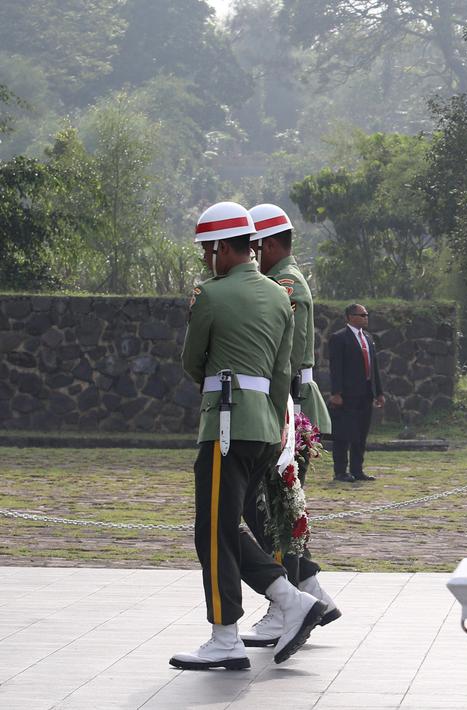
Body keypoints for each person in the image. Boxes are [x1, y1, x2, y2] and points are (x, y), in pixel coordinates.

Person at [170, 201, 326, 671]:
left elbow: (193, 362)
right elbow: (283, 372)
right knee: (224, 527)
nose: (204, 259)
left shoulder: (210, 296)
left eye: (206, 250)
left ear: (220, 248)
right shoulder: (280, 296)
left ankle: (226, 633)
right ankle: (287, 596)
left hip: (225, 427)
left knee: (214, 531)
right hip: (264, 427)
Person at [239, 203, 342, 649]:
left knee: (269, 512)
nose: (253, 255)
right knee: (278, 512)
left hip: (287, 408)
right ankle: (310, 590)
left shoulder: (285, 285)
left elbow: (281, 356)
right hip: (288, 406)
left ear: (272, 244)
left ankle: (288, 603)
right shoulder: (288, 279)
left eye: (256, 246)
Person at [328, 303, 384, 482]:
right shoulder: (339, 338)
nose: (366, 318)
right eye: (362, 315)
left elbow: (374, 367)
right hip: (346, 395)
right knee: (343, 434)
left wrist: (379, 392)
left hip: (365, 393)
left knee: (361, 434)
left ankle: (357, 469)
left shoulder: (367, 338)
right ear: (351, 317)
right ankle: (340, 471)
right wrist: (336, 392)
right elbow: (335, 367)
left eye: (367, 315)